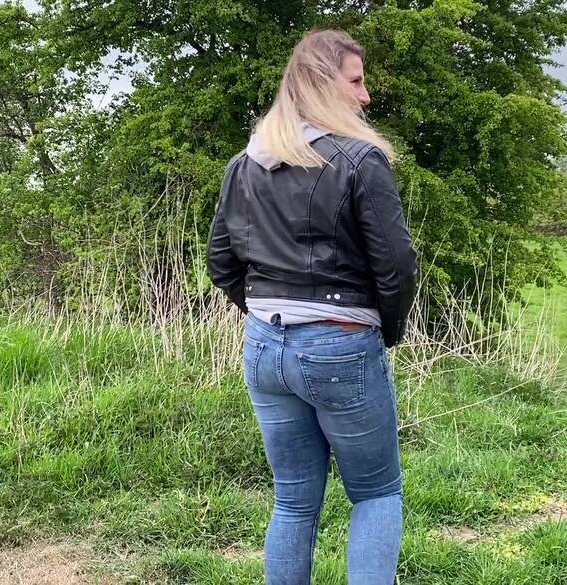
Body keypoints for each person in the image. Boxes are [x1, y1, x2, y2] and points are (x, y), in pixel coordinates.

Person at [206, 28, 418, 585]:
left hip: (264, 346)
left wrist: (267, 316)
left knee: (293, 500)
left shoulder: (244, 165)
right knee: (376, 492)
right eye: (357, 81)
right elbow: (397, 265)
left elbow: (221, 262)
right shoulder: (360, 159)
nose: (365, 96)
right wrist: (383, 331)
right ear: (324, 84)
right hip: (340, 339)